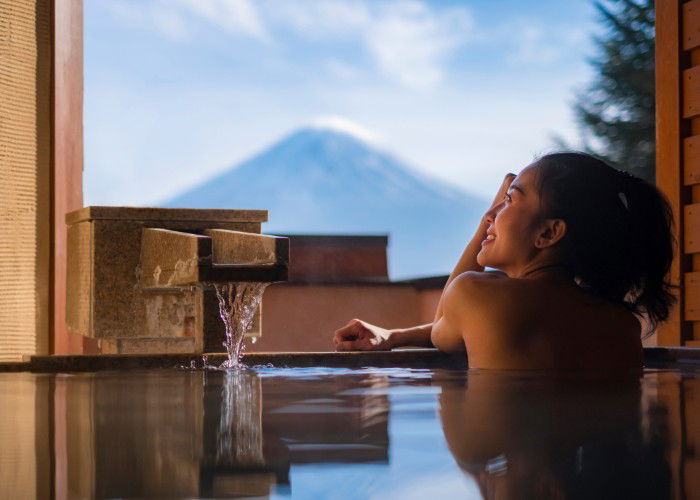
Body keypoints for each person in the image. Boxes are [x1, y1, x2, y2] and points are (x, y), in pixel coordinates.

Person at [333, 152, 676, 370]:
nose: (493, 215)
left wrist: (483, 223)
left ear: (549, 233)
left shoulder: (475, 295)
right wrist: (393, 335)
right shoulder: (620, 322)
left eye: (510, 200)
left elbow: (473, 451)